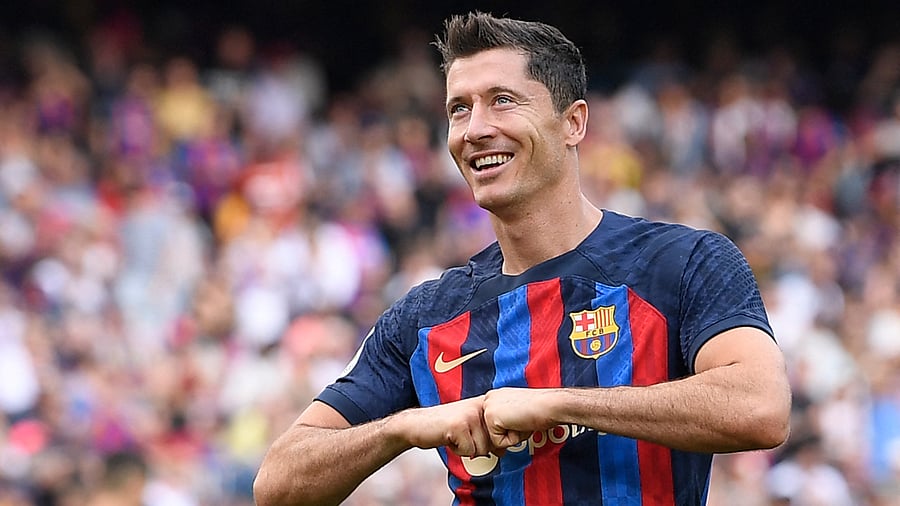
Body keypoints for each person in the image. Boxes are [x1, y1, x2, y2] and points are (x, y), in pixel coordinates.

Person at [253, 11, 792, 506]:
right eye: (458, 109)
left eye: (502, 100)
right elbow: (277, 486)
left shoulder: (683, 261)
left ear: (573, 123)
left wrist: (557, 403)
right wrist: (401, 428)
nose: (475, 128)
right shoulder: (424, 318)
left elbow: (759, 407)